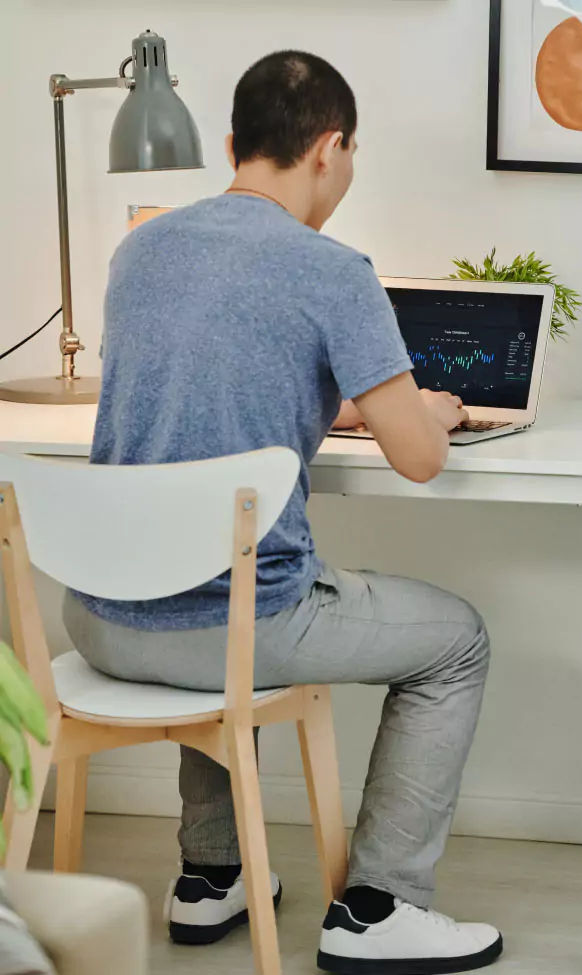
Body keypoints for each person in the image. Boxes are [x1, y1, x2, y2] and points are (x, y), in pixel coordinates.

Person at [63, 50, 502, 975]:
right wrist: (423, 409)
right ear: (332, 149)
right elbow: (419, 460)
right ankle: (380, 906)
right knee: (455, 640)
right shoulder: (332, 270)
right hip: (227, 629)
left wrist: (341, 403)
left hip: (100, 620)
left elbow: (216, 384)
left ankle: (210, 875)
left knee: (207, 569)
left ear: (232, 146)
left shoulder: (140, 249)